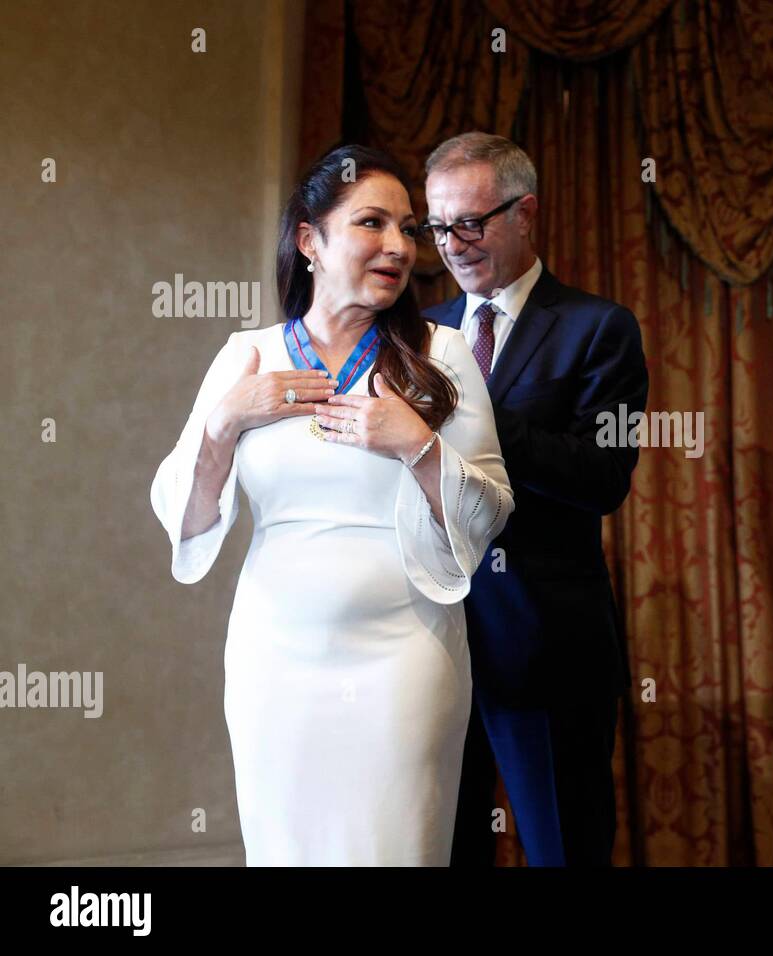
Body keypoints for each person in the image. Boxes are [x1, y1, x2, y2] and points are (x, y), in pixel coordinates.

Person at [150, 145, 513, 865]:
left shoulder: (441, 354)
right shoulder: (246, 356)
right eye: (372, 223)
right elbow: (186, 522)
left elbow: (489, 513)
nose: (398, 246)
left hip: (406, 661)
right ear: (309, 240)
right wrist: (225, 421)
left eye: (409, 229)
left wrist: (417, 445)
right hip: (273, 661)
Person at [421, 132, 648, 866]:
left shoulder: (598, 328)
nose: (453, 245)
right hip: (430, 648)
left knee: (565, 851)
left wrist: (471, 407)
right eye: (438, 226)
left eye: (471, 222)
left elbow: (601, 480)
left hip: (548, 649)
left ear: (527, 214)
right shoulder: (419, 334)